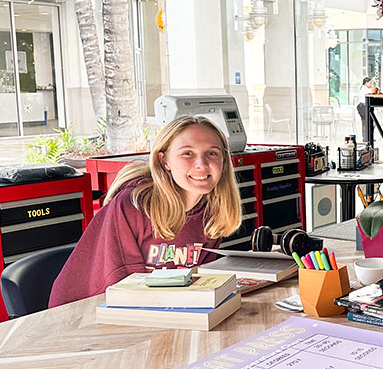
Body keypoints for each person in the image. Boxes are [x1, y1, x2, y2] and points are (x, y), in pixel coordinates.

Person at [49, 115, 243, 307]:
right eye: (187, 153)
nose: (201, 163)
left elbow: (197, 284)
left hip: (159, 307)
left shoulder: (211, 213)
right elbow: (123, 287)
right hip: (83, 311)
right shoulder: (133, 205)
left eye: (212, 153)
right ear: (164, 160)